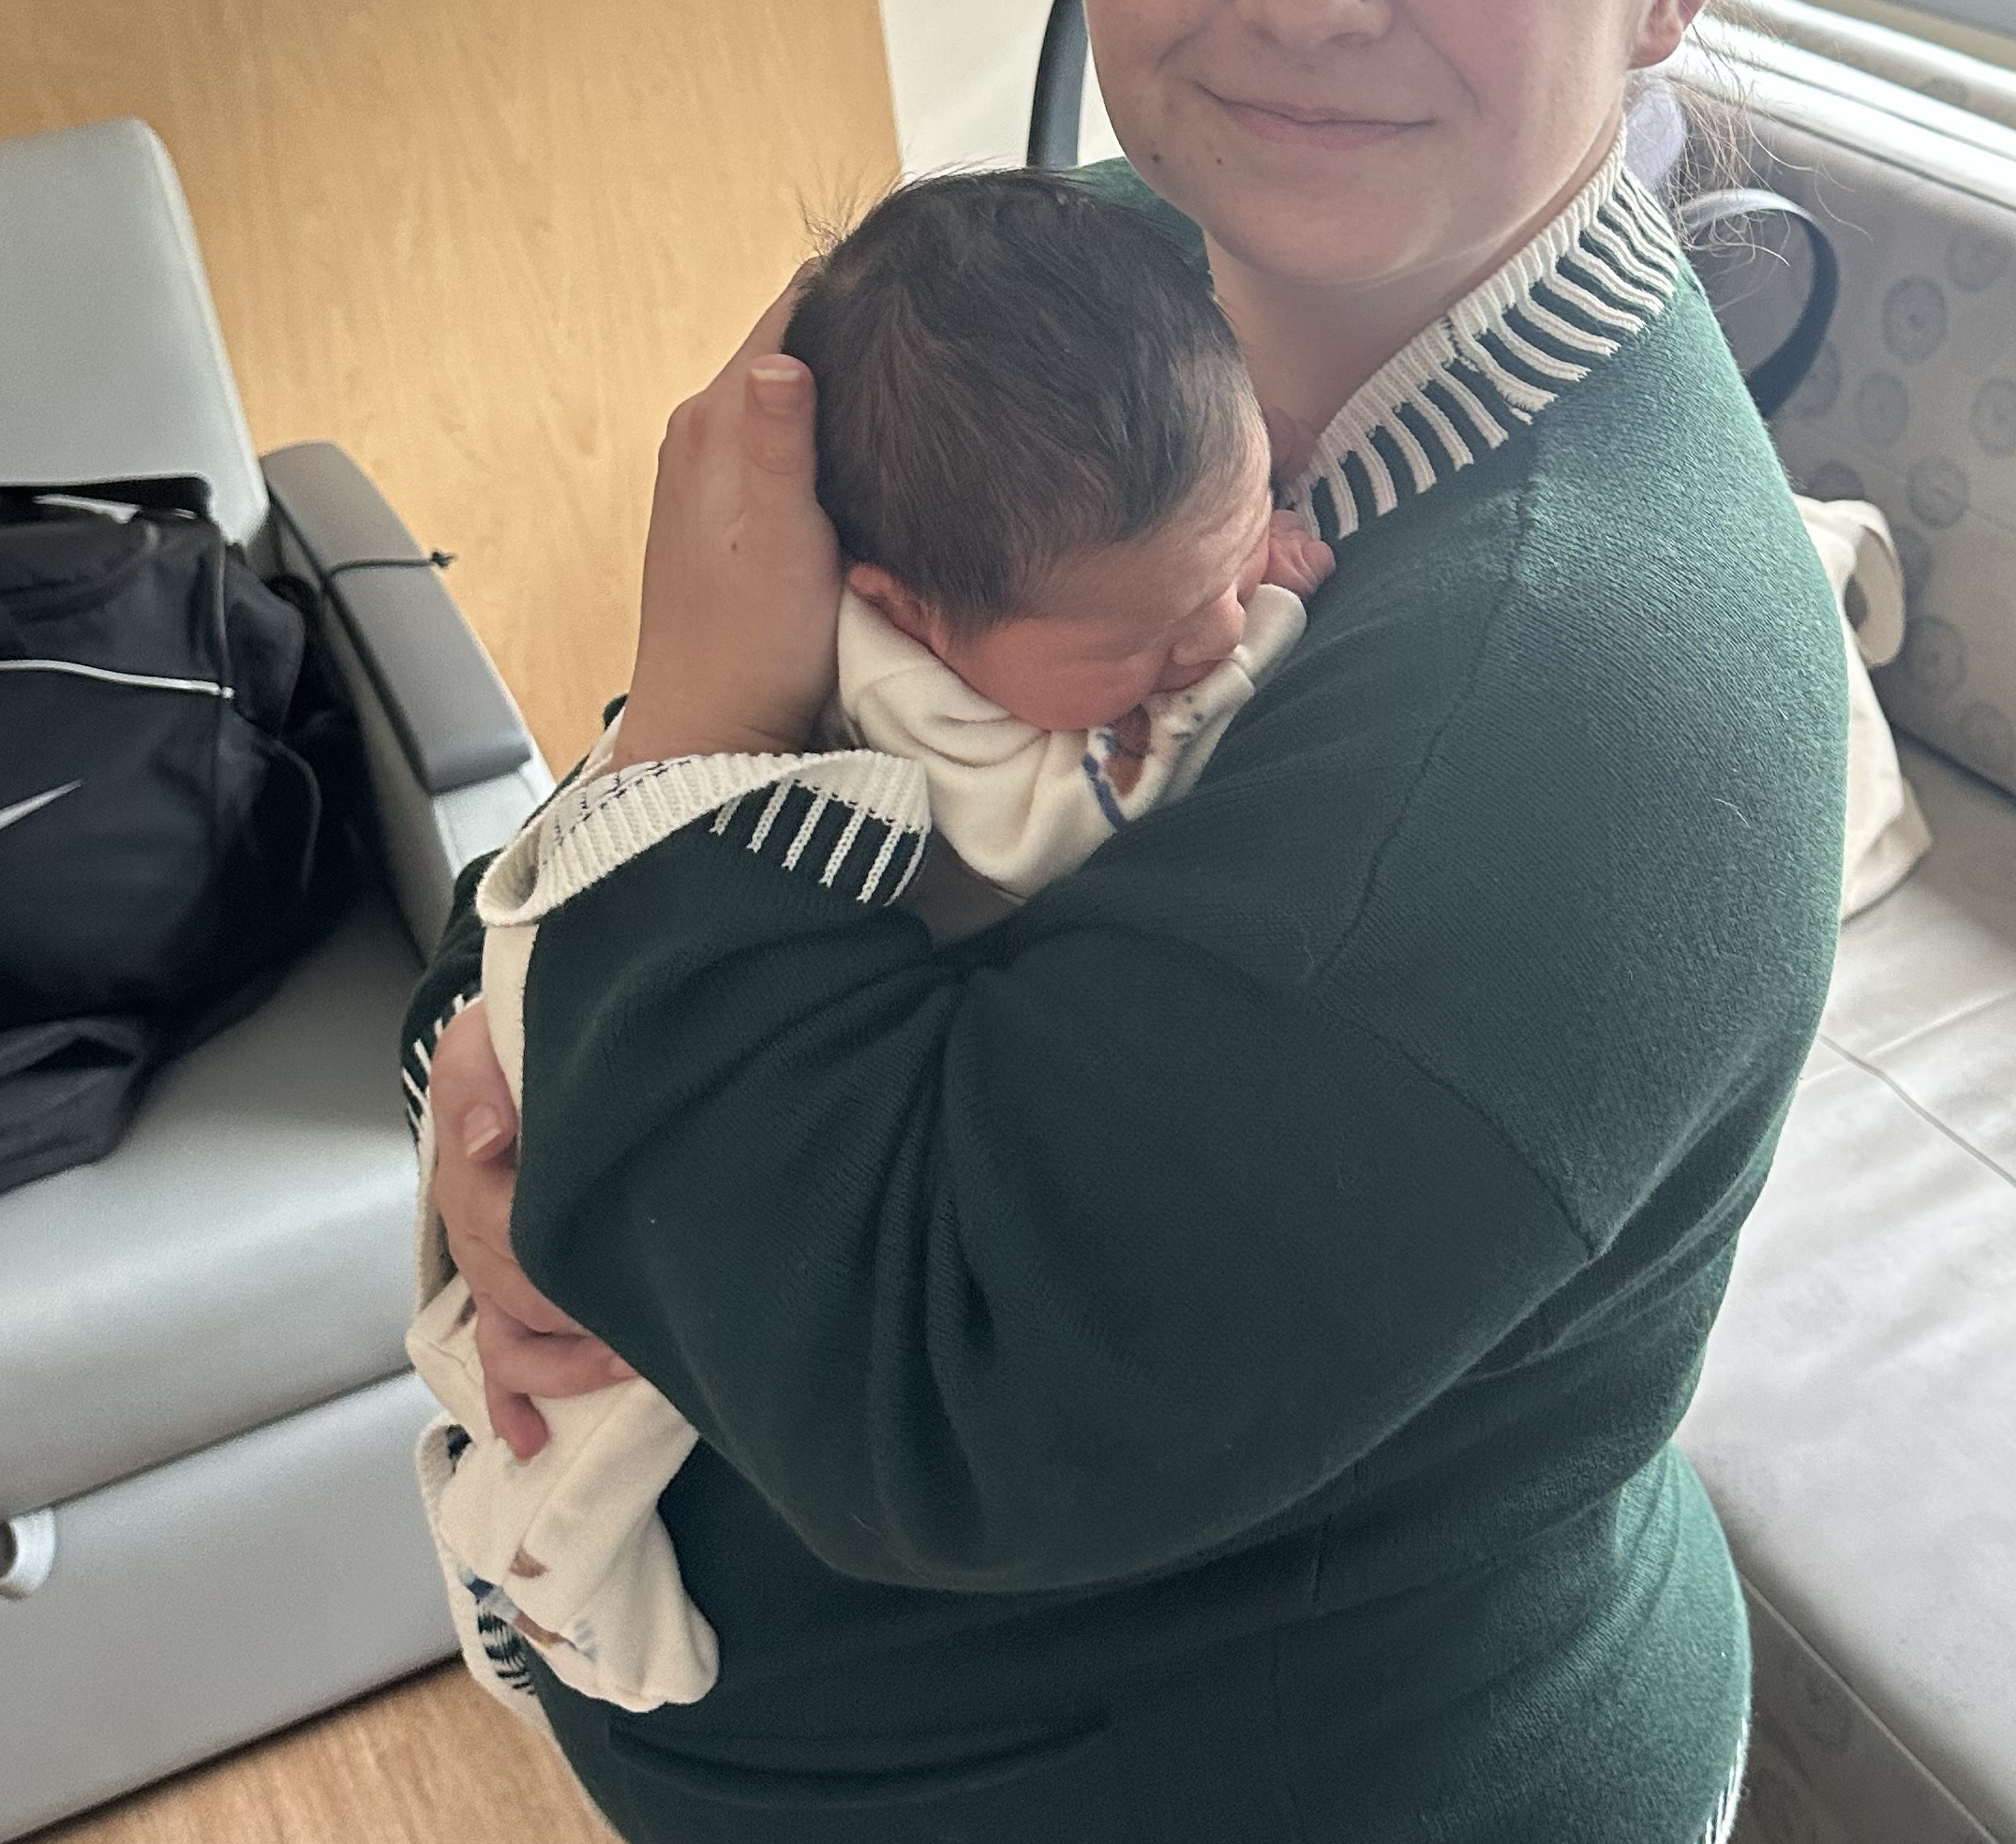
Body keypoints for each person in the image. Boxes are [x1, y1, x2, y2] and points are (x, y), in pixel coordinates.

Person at [409, 0, 1848, 1841]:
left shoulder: (1581, 692)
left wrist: (682, 828)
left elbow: (946, 1390)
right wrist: (491, 1119)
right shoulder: (1054, 280)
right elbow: (596, 844)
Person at [405, 173, 1334, 1718]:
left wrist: (1221, 560)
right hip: (612, 1019)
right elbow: (1070, 819)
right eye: (1142, 641)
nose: (1213, 642)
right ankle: (531, 1574)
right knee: (601, 1398)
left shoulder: (1056, 464)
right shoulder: (922, 694)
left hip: (647, 972)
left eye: (1233, 554)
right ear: (908, 609)